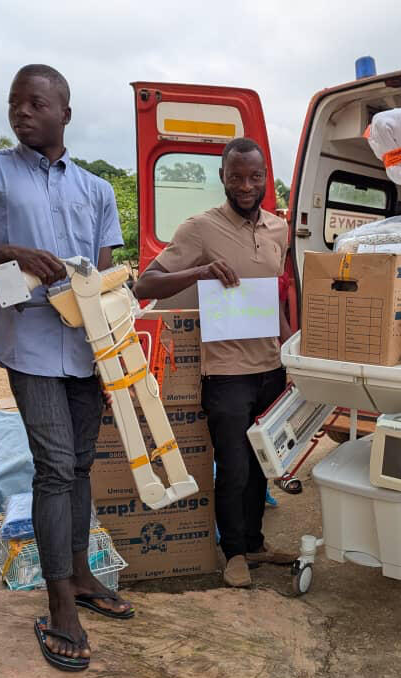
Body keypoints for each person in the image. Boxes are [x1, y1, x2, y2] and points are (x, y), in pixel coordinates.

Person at [0, 64, 130, 672]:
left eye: (37, 103)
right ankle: (59, 603)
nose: (22, 112)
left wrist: (112, 355)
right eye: (15, 102)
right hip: (31, 346)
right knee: (54, 467)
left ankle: (82, 575)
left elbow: (105, 278)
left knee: (81, 464)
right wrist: (10, 251)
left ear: (64, 113)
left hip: (86, 349)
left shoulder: (97, 189)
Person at [134, 137, 295, 589]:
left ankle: (256, 543)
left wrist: (290, 346)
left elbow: (273, 297)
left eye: (255, 177)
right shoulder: (200, 229)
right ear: (222, 177)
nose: (245, 186)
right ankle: (235, 554)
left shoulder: (278, 229)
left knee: (262, 464)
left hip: (270, 368)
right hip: (225, 373)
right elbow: (145, 285)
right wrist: (201, 272)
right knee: (234, 467)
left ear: (266, 178)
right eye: (236, 177)